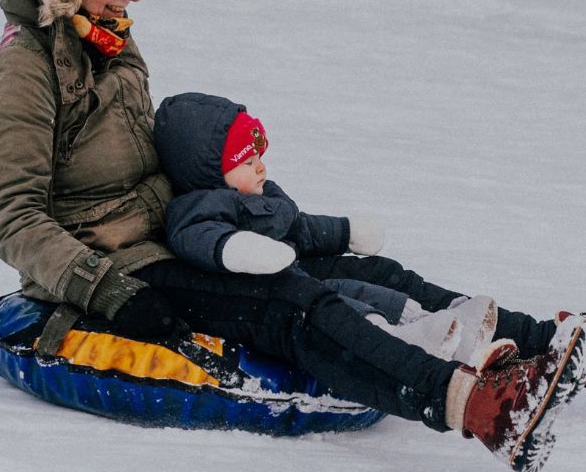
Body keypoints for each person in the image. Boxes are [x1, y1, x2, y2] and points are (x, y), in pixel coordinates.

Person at [0, 0, 586, 472]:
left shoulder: (113, 45)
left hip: (182, 234)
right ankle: (479, 409)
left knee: (370, 274)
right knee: (295, 304)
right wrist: (109, 291)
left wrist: (234, 192)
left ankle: (584, 354)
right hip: (120, 268)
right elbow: (13, 217)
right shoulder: (21, 74)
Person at [149, 90, 499, 364]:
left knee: (360, 287)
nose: (261, 169)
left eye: (261, 158)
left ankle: (443, 331)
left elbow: (300, 227)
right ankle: (403, 342)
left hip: (298, 279)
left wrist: (345, 231)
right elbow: (195, 238)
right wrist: (239, 249)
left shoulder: (265, 197)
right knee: (339, 302)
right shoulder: (196, 205)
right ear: (210, 170)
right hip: (264, 300)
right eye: (249, 161)